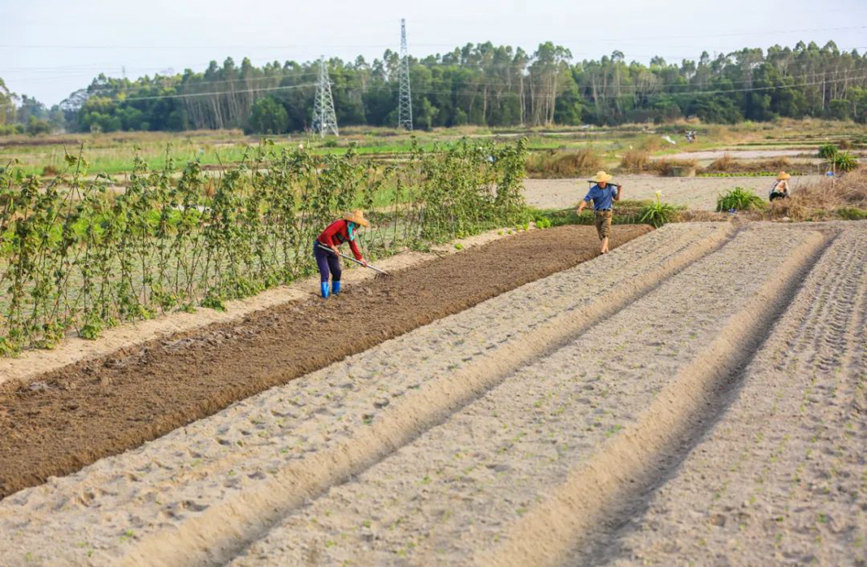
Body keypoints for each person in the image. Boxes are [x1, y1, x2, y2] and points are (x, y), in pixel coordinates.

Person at [314, 210, 370, 298]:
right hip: (321, 247)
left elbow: (353, 245)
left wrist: (360, 259)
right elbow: (326, 234)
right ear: (352, 221)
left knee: (337, 272)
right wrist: (333, 246)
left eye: (359, 225)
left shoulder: (350, 231)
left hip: (332, 250)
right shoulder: (341, 224)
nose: (357, 227)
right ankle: (325, 297)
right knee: (325, 272)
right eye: (357, 224)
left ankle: (335, 293)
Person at [577, 170, 623, 254]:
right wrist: (580, 208)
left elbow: (616, 199)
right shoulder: (593, 190)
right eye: (600, 181)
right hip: (597, 214)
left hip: (607, 213)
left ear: (605, 180)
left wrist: (619, 190)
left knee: (605, 232)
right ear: (597, 181)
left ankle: (602, 251)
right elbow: (586, 199)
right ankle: (606, 250)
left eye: (603, 181)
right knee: (601, 235)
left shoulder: (610, 188)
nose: (601, 183)